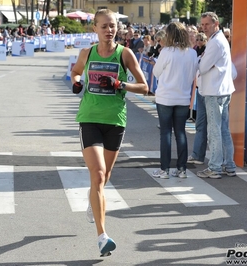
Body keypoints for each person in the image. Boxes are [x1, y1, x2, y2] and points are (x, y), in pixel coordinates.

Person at [70, 8, 148, 257]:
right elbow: (75, 72)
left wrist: (119, 84)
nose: (109, 30)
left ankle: (93, 201)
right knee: (99, 173)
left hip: (115, 120)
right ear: (94, 28)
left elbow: (145, 87)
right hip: (89, 118)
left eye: (112, 25)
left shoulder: (125, 54)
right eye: (104, 26)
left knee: (104, 177)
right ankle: (102, 236)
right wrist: (77, 81)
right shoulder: (87, 52)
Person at [151, 22, 198, 179]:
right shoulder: (191, 53)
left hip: (165, 96)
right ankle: (182, 169)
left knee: (165, 133)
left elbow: (156, 72)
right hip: (183, 97)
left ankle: (164, 169)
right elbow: (193, 75)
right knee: (180, 132)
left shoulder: (167, 51)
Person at [196, 12, 237, 179]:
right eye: (203, 24)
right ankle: (229, 165)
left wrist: (201, 62)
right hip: (222, 90)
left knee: (215, 131)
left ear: (216, 24)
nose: (204, 27)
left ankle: (215, 167)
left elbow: (203, 67)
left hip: (215, 91)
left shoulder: (215, 42)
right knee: (223, 130)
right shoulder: (219, 39)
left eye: (207, 24)